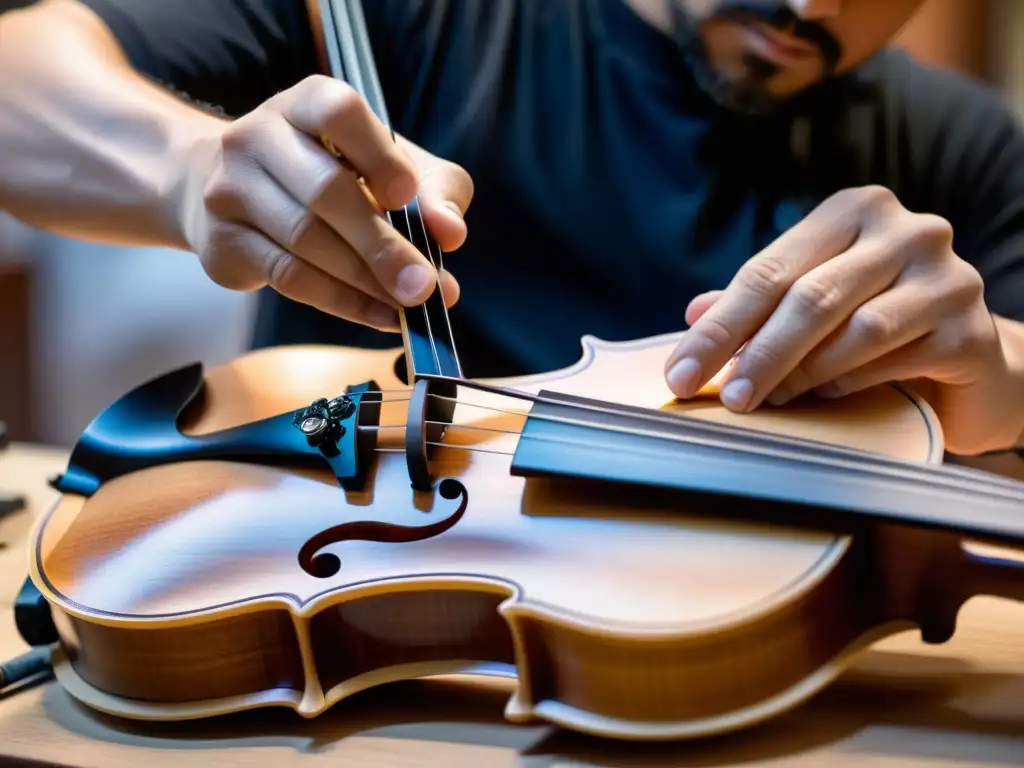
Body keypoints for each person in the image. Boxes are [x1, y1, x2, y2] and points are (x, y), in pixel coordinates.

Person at [1, 0, 1023, 457]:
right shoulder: (436, 13)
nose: (812, 2)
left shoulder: (963, 144)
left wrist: (999, 385)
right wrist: (186, 172)